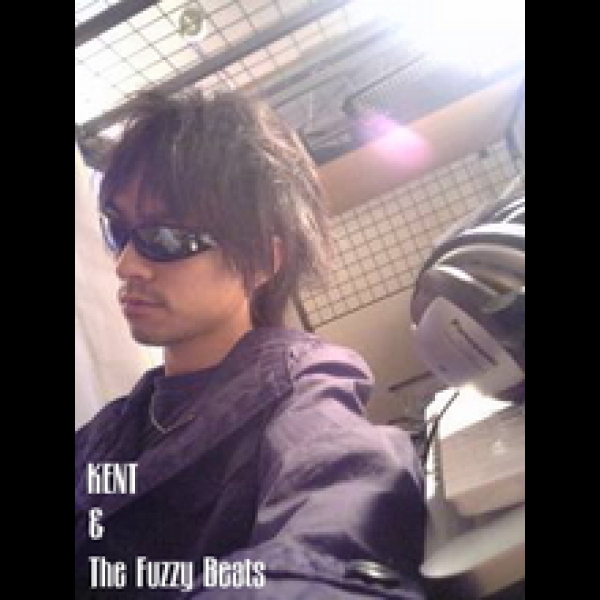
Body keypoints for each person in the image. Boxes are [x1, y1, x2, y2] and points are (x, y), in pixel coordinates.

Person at [75, 89, 426, 599]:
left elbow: (336, 530)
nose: (127, 265)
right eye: (119, 231)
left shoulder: (297, 390)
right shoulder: (113, 428)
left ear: (261, 259)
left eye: (164, 238)